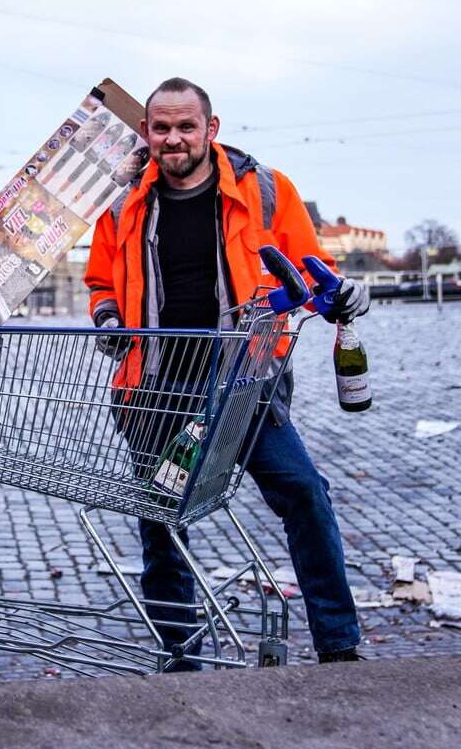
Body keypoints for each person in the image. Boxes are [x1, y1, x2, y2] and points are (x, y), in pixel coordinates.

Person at [85, 77, 370, 668]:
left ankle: (339, 643)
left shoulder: (264, 191)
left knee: (304, 494)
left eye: (186, 126)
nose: (173, 138)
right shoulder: (122, 204)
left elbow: (316, 273)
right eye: (161, 127)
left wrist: (341, 295)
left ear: (210, 131)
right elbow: (101, 283)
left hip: (244, 388)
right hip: (158, 392)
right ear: (146, 132)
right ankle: (178, 652)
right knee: (165, 522)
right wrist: (109, 319)